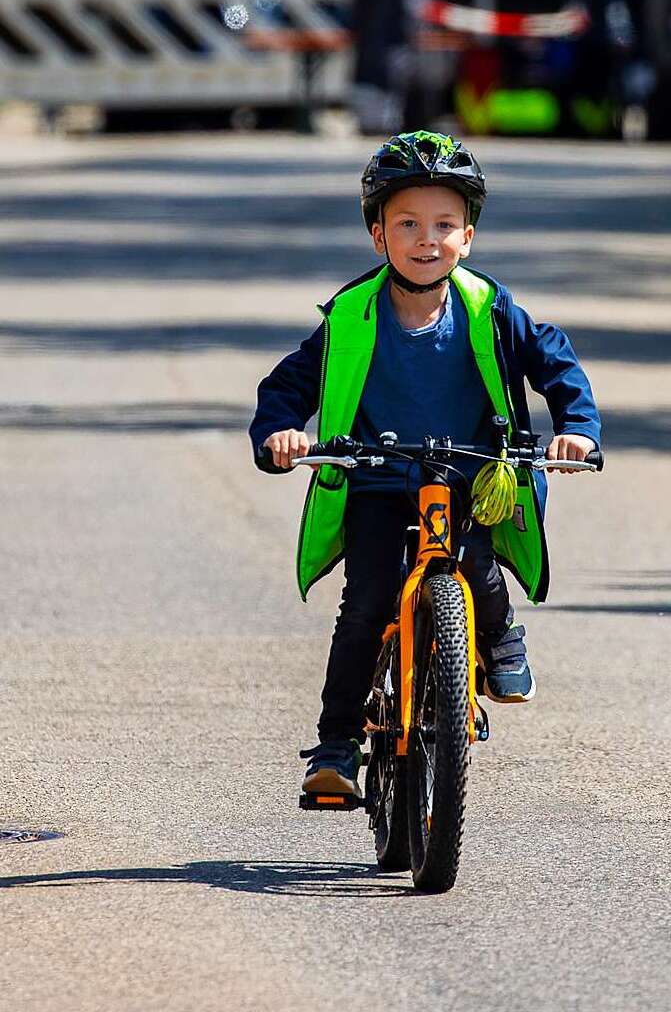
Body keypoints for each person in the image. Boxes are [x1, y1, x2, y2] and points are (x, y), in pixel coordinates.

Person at [249, 131, 601, 799]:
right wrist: (281, 434)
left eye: (444, 224)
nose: (425, 238)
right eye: (406, 223)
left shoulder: (489, 309)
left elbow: (555, 363)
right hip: (377, 479)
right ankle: (335, 745)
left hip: (467, 476)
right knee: (366, 606)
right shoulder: (351, 315)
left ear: (467, 236)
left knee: (474, 565)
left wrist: (576, 430)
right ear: (377, 235)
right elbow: (290, 386)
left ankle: (498, 637)